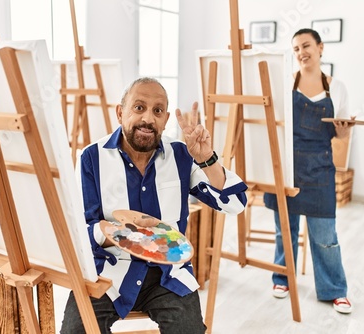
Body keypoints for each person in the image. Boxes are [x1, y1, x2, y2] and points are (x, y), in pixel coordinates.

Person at [61, 77, 248, 333]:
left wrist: (206, 159)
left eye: (157, 111)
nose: (148, 118)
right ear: (120, 112)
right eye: (139, 107)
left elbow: (236, 203)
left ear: (166, 118)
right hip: (108, 271)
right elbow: (81, 229)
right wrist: (107, 231)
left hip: (168, 275)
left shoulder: (183, 155)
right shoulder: (92, 157)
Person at [264, 28, 355, 314]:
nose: (301, 52)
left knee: (326, 237)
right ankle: (282, 278)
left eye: (306, 46)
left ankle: (334, 290)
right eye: (296, 49)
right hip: (289, 169)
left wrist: (342, 131)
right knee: (285, 232)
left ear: (320, 48)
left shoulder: (336, 87)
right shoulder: (286, 84)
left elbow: (340, 137)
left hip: (320, 171)